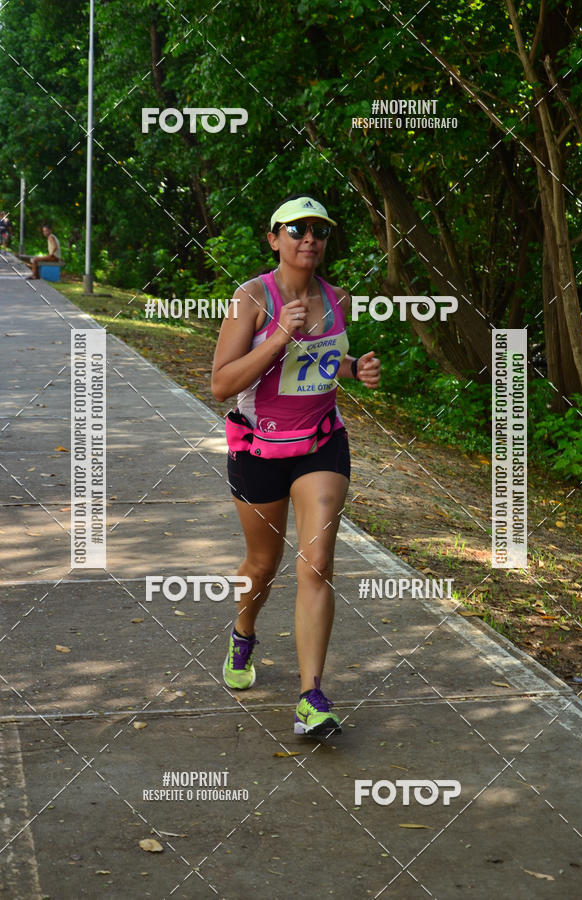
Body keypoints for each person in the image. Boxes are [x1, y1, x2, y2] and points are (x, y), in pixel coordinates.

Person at [211, 194, 380, 736]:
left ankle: (311, 697)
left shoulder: (339, 300)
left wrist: (355, 368)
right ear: (274, 238)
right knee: (262, 566)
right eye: (297, 229)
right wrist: (281, 333)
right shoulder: (250, 298)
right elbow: (221, 385)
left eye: (319, 231)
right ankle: (243, 632)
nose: (310, 238)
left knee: (317, 562)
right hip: (258, 449)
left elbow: (323, 364)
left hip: (320, 445)